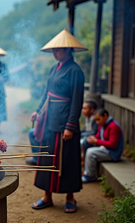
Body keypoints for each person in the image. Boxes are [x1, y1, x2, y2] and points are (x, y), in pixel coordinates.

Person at [28, 29, 87, 213]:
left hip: (65, 124)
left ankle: (70, 198)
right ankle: (47, 196)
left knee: (67, 160)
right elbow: (47, 94)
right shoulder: (54, 69)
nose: (54, 53)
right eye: (53, 50)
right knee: (47, 158)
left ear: (69, 50)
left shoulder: (75, 71)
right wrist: (38, 110)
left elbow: (77, 101)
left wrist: (70, 126)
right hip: (49, 122)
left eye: (58, 50)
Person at [82, 109, 124, 183]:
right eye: (96, 120)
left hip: (113, 153)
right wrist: (94, 138)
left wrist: (96, 141)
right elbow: (99, 135)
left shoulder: (113, 126)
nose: (97, 122)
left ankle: (90, 175)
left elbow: (112, 144)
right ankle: (86, 170)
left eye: (98, 119)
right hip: (105, 149)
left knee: (90, 152)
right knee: (85, 143)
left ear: (105, 116)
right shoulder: (103, 124)